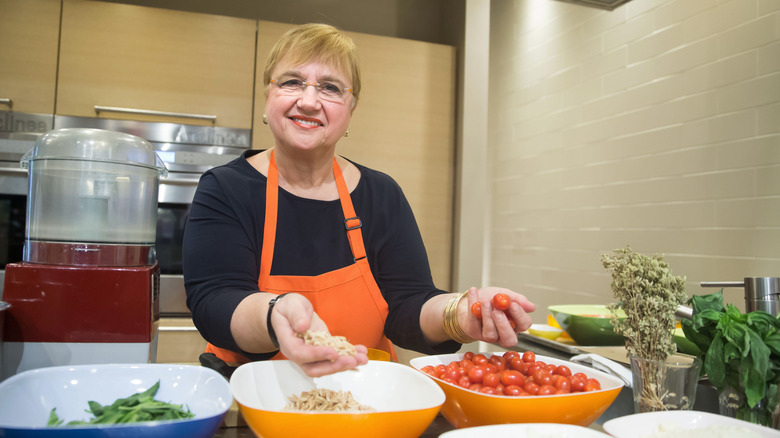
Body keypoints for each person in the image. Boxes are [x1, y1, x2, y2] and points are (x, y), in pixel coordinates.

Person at [183, 23, 536, 378]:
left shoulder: (381, 194)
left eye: (330, 88)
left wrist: (458, 313)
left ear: (350, 108)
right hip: (255, 402)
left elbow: (407, 305)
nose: (308, 101)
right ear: (267, 95)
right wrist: (276, 312)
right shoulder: (226, 188)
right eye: (291, 82)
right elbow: (215, 302)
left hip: (366, 398)